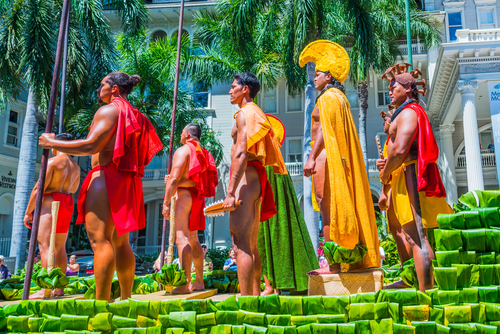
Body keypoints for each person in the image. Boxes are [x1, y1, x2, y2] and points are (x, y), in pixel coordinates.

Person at [39, 72, 163, 301]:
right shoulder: (137, 115)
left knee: (100, 241)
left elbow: (91, 145)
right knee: (121, 242)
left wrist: (51, 142)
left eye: (101, 85)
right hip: (128, 180)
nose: (98, 90)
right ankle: (125, 298)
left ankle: (102, 302)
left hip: (107, 176)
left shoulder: (109, 110)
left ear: (114, 88)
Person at [300, 40, 380, 274]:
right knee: (330, 208)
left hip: (325, 156)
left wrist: (311, 157)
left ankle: (333, 265)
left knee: (327, 210)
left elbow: (326, 130)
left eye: (318, 74)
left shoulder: (328, 98)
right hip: (328, 156)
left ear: (329, 76)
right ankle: (340, 261)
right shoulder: (339, 98)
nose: (314, 78)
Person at [377, 63, 452, 291]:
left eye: (394, 87)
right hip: (403, 176)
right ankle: (419, 285)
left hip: (411, 174)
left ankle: (426, 291)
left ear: (409, 88)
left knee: (419, 236)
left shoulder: (409, 112)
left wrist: (385, 172)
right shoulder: (404, 113)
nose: (390, 91)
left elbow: (400, 151)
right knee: (412, 237)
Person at [222, 72, 287, 296]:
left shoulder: (245, 113)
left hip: (246, 177)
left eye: (233, 87)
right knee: (249, 244)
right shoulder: (254, 112)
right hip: (254, 177)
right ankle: (254, 296)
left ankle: (247, 300)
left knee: (240, 244)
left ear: (245, 89)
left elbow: (241, 152)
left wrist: (230, 192)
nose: (230, 91)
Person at [162, 123, 218, 293]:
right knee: (193, 239)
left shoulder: (183, 150)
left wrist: (166, 203)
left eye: (181, 133)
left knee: (181, 237)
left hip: (184, 196)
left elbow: (174, 180)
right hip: (197, 197)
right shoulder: (204, 153)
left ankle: (184, 284)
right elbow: (195, 180)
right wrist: (174, 179)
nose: (179, 135)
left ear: (187, 135)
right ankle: (199, 282)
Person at [24, 133, 80, 299]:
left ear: (57, 144)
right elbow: (74, 188)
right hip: (66, 201)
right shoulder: (75, 166)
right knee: (60, 247)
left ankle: (45, 288)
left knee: (45, 246)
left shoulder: (53, 162)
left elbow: (39, 188)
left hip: (50, 201)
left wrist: (28, 211)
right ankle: (59, 288)